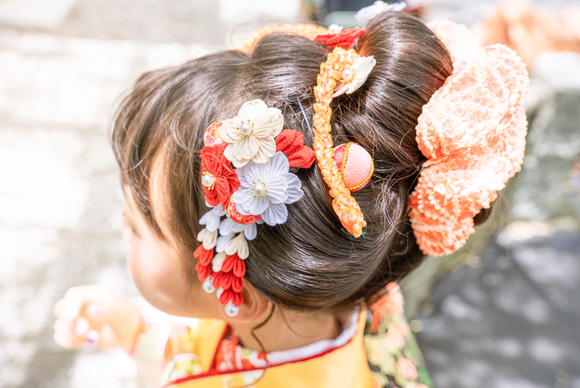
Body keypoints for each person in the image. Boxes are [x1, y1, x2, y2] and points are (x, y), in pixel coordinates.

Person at [53, 6, 529, 388]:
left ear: (237, 296)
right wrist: (136, 335)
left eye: (139, 227)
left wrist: (146, 357)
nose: (122, 224)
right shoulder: (361, 302)